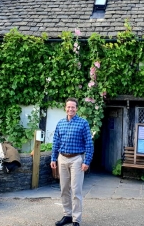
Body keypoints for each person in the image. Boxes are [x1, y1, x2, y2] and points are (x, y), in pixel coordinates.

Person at [50, 97, 94, 226]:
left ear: (76, 108)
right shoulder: (60, 123)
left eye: (73, 107)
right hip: (62, 158)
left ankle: (76, 219)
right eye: (68, 107)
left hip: (77, 159)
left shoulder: (83, 123)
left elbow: (89, 144)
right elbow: (56, 142)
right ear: (65, 108)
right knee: (64, 189)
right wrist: (53, 158)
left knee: (76, 190)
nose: (70, 109)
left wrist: (87, 161)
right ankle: (67, 215)